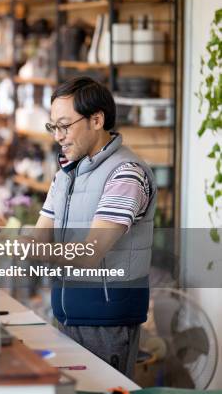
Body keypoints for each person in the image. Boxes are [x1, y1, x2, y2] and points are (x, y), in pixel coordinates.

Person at [30, 76, 157, 378]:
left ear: (97, 119)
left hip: (106, 323)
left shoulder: (126, 174)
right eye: (53, 127)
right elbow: (37, 237)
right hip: (66, 314)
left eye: (65, 125)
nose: (58, 136)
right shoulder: (66, 175)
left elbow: (89, 253)